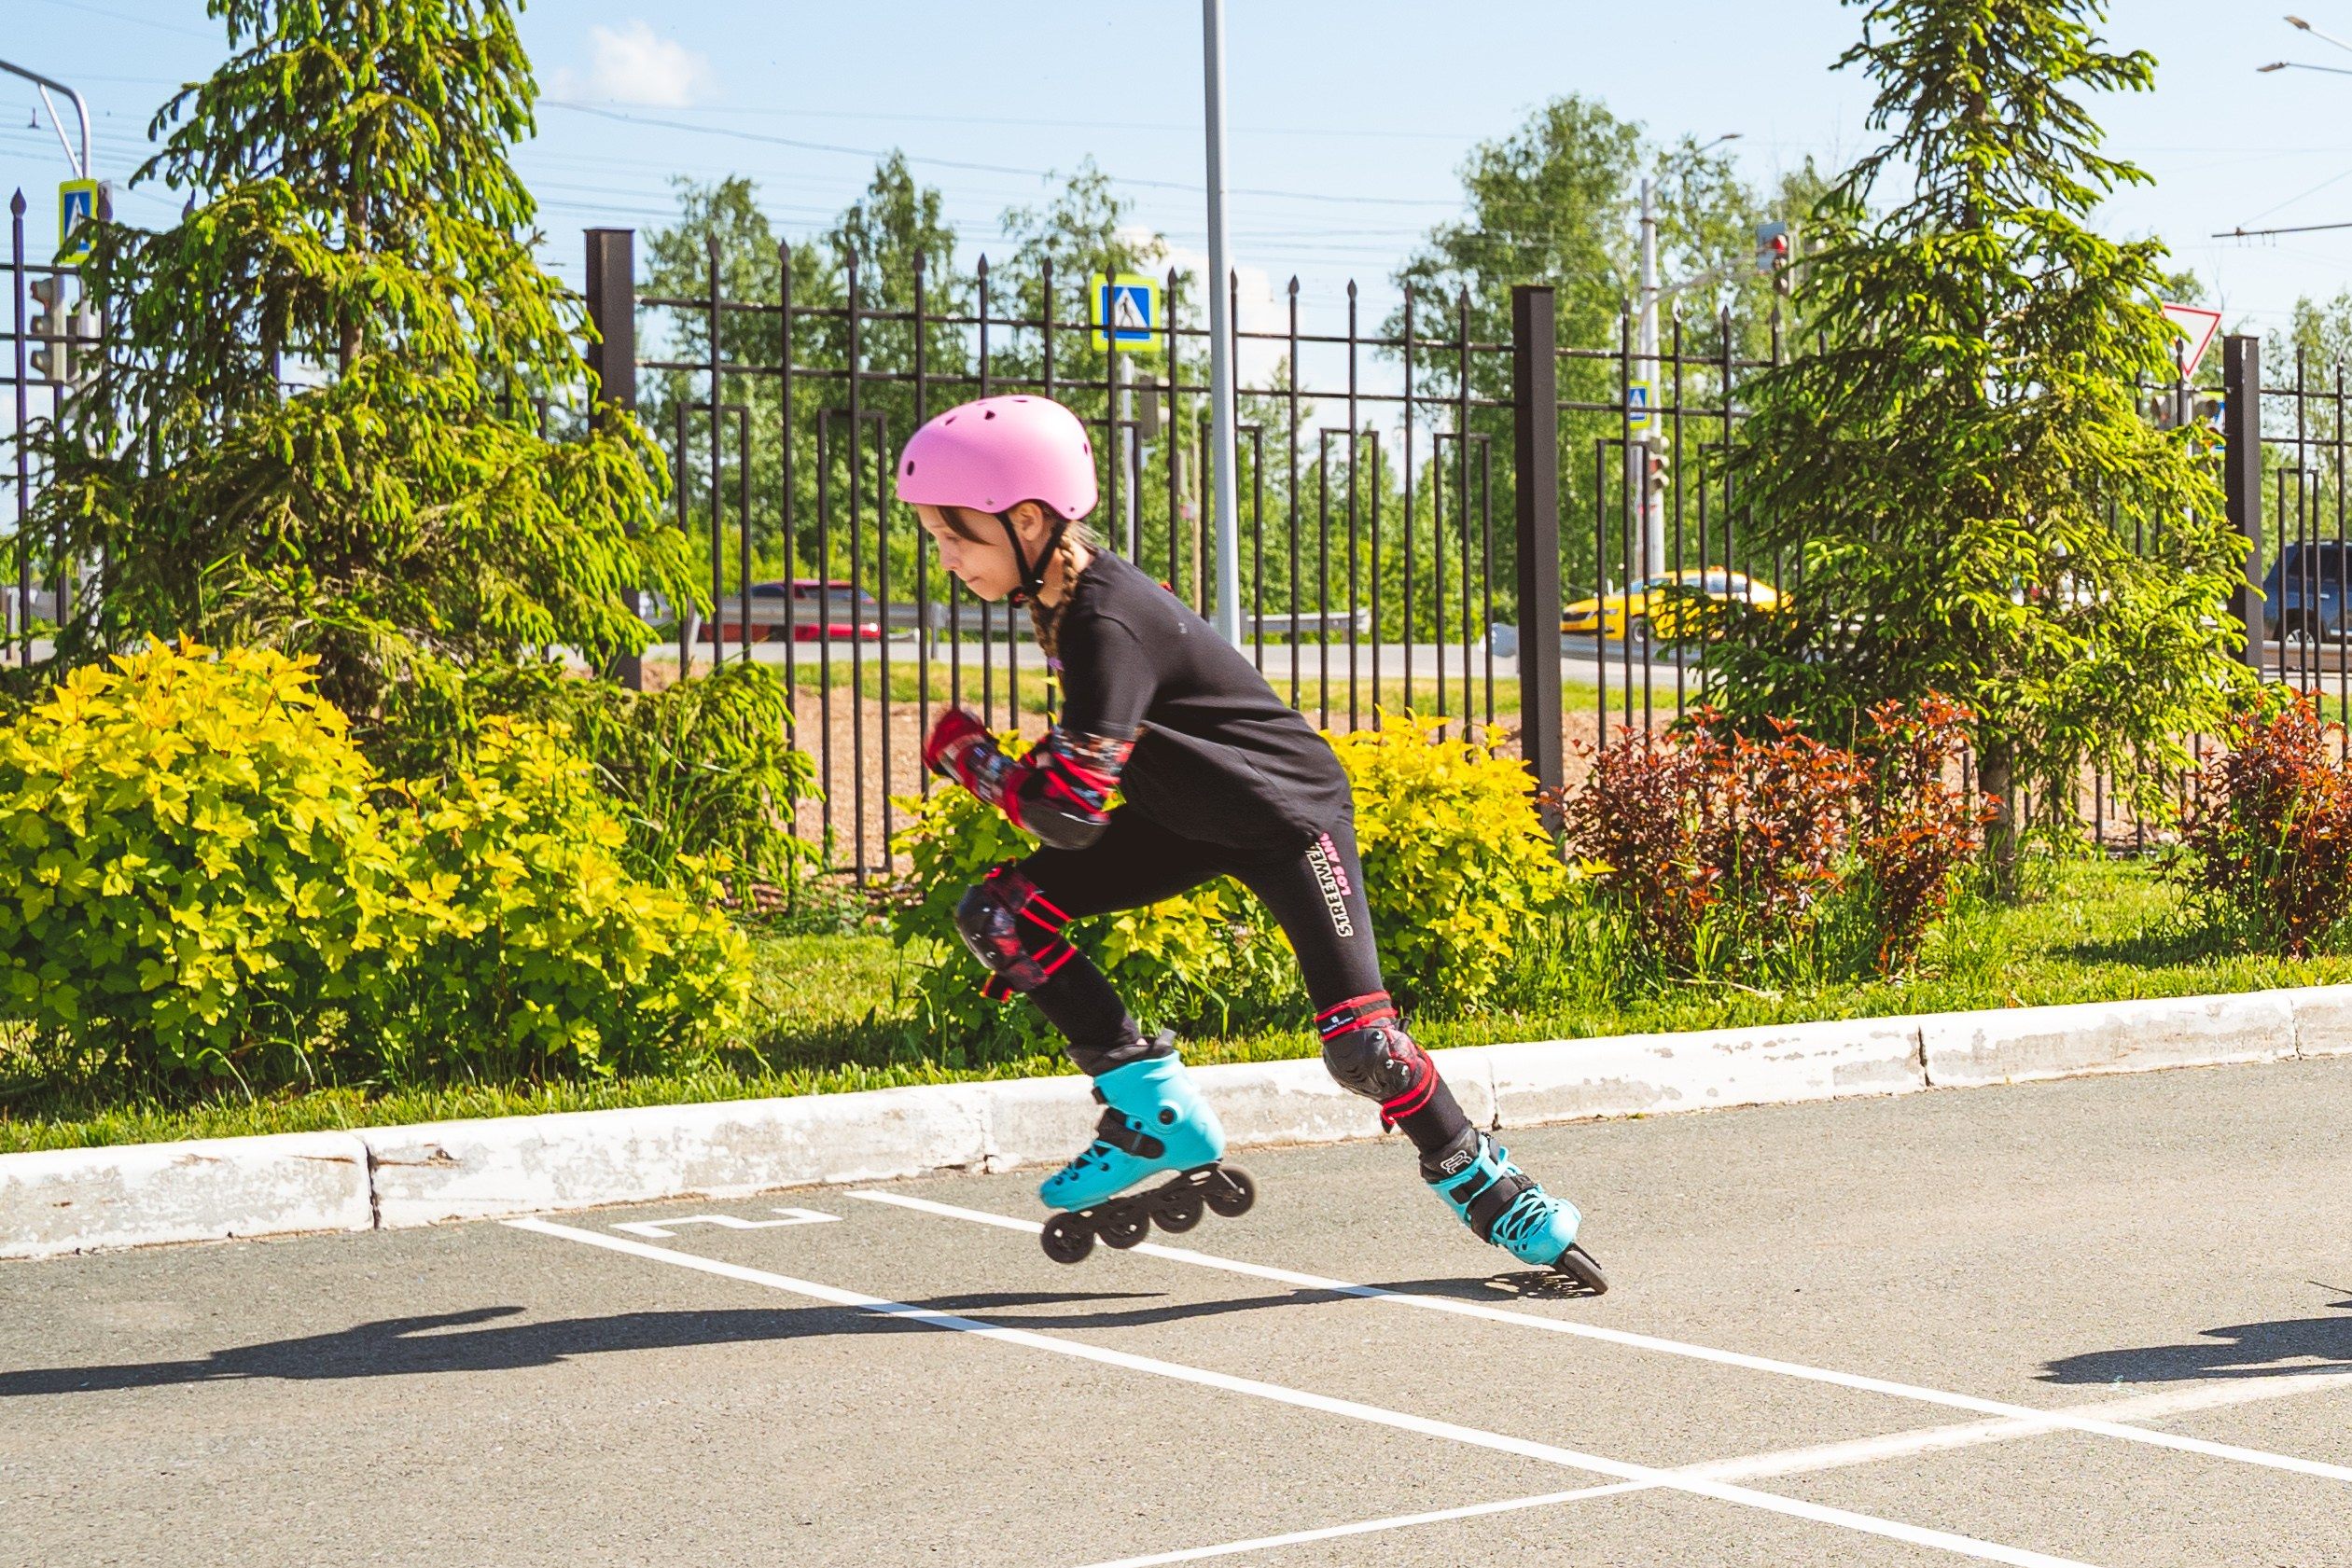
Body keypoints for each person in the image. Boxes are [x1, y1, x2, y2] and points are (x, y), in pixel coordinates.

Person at [898, 392, 1605, 1291]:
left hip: (1284, 820)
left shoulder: (1105, 617)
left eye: (956, 534)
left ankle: (1491, 1185)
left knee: (1363, 1047)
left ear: (1029, 519)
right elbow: (1091, 789)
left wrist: (973, 760)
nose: (947, 556)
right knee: (1002, 914)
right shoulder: (1067, 599)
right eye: (937, 536)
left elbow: (1071, 810)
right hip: (1183, 816)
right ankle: (1150, 1117)